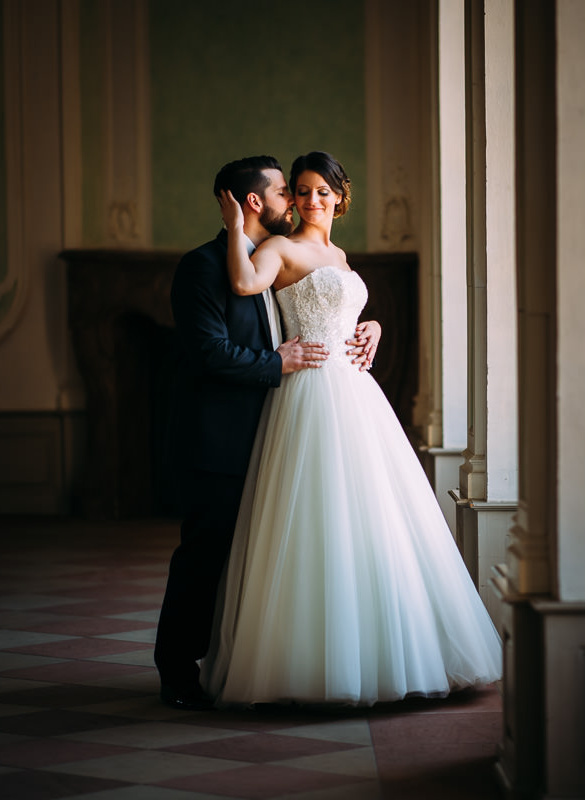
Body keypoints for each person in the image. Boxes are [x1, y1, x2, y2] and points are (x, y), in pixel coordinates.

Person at [201, 151, 501, 707]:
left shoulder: (338, 254)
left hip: (357, 393)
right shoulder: (278, 247)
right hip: (309, 392)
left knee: (374, 517)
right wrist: (234, 226)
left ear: (341, 196)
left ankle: (387, 652)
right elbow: (244, 285)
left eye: (322, 191)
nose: (312, 200)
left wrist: (376, 326)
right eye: (302, 191)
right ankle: (316, 662)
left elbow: (346, 310)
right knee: (318, 520)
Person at [155, 155, 381, 710]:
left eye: (312, 192)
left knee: (266, 557)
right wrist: (276, 365)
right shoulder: (203, 267)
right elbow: (211, 352)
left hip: (281, 429)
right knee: (206, 555)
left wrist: (368, 324)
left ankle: (269, 660)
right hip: (219, 440)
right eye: (288, 192)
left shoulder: (278, 258)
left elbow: (317, 313)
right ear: (256, 201)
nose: (299, 202)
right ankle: (178, 670)